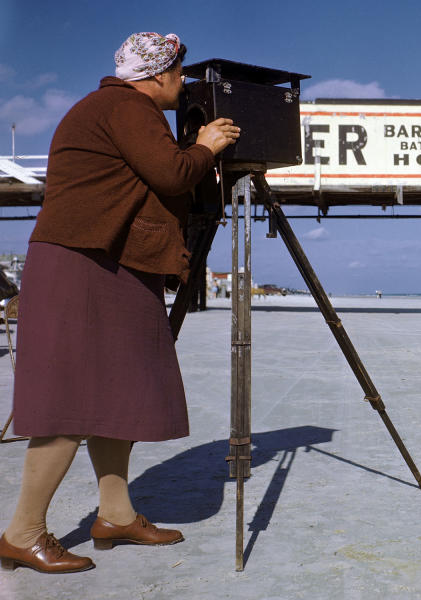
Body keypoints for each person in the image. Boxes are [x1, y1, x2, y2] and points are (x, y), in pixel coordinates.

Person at [0, 32, 240, 574]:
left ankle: (115, 514)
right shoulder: (126, 106)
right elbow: (172, 172)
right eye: (180, 72)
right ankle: (22, 532)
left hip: (109, 260)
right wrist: (208, 145)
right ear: (156, 74)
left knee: (117, 392)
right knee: (67, 400)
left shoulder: (115, 106)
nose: (184, 82)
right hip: (81, 262)